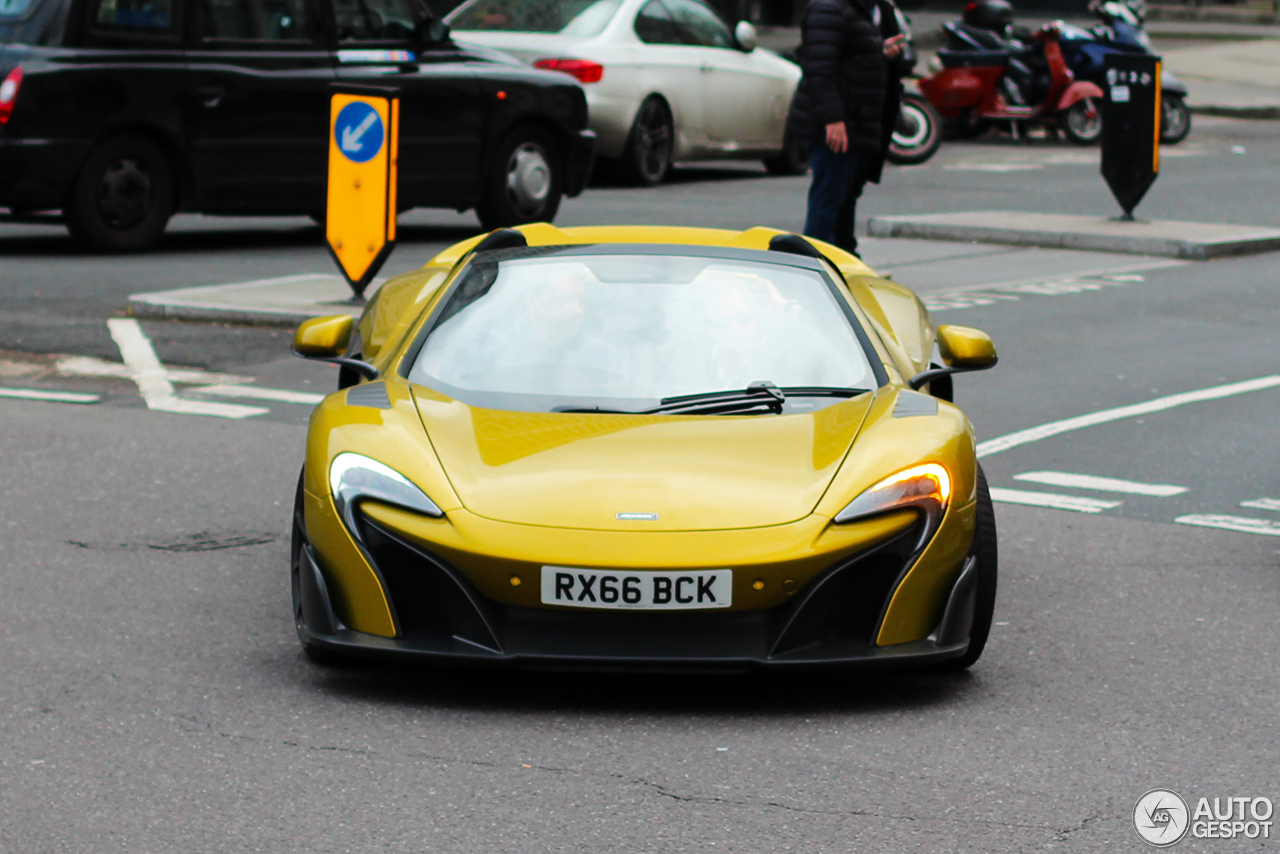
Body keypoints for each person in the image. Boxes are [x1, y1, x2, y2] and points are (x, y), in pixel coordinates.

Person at [791, 0, 904, 256]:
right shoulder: (829, 8)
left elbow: (849, 55)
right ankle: (816, 263)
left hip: (857, 121)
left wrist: (879, 51)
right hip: (839, 122)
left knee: (845, 196)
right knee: (829, 198)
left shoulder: (865, 8)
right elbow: (819, 67)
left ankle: (844, 257)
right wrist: (833, 119)